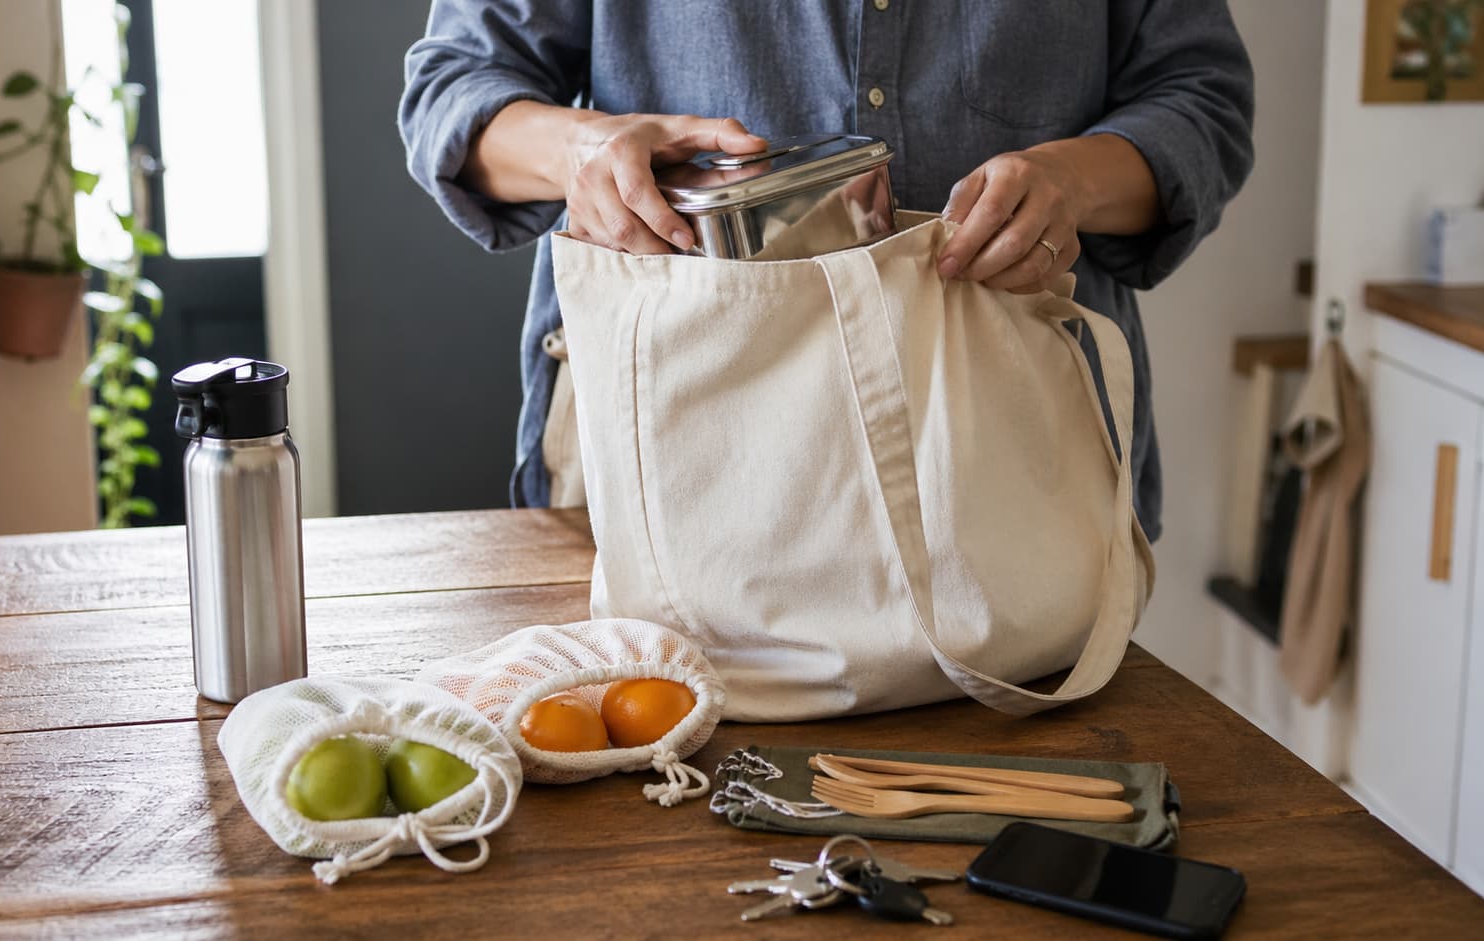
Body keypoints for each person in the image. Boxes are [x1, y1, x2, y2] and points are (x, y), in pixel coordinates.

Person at [399, 2, 1255, 542]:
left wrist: (1072, 179)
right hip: (680, 440)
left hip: (1013, 462)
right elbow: (452, 91)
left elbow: (1201, 101)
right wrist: (581, 152)